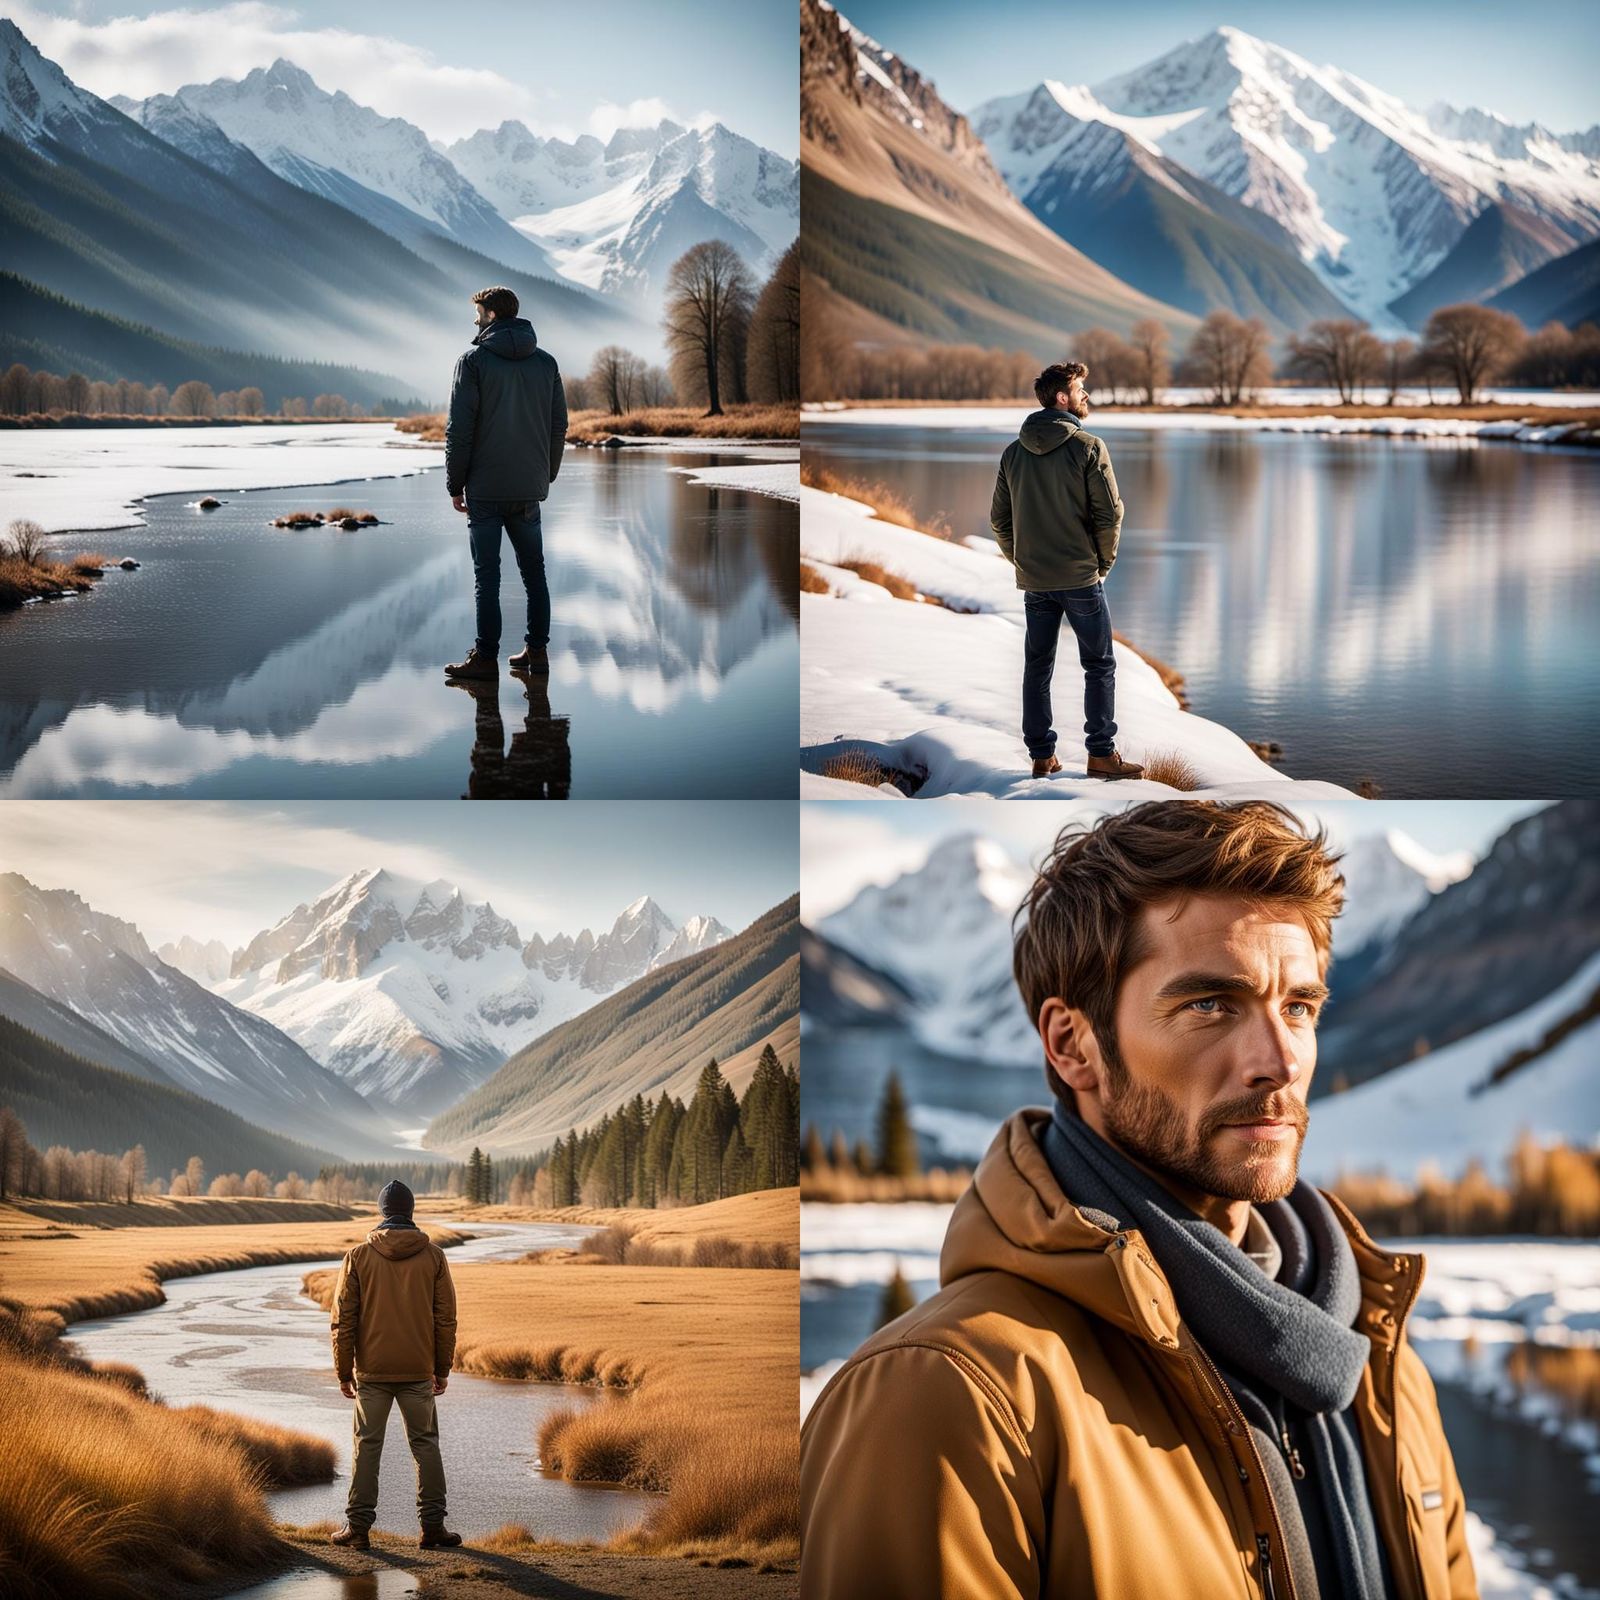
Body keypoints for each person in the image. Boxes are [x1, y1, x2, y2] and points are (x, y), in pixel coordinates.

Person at [800, 801, 1475, 1600]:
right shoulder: (948, 1396)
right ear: (1072, 1044)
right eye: (1210, 1005)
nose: (1280, 1060)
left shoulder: (1386, 1375)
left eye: (1299, 1006)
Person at [990, 361, 1143, 782]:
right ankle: (1101, 756)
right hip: (1080, 578)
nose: (1086, 397)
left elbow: (999, 521)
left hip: (1036, 582)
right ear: (1062, 398)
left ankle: (1042, 757)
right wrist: (1102, 565)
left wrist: (1024, 562)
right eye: (1081, 390)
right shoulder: (1088, 446)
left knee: (1037, 666)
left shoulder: (1013, 452)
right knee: (1099, 665)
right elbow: (1110, 514)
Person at [443, 285, 568, 683]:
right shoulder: (546, 363)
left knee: (487, 577)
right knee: (535, 573)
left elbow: (459, 430)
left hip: (485, 489)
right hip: (528, 488)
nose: (474, 320)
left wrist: (454, 484)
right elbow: (558, 426)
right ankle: (539, 652)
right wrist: (545, 473)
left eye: (477, 312)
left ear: (492, 315)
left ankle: (485, 659)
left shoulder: (473, 361)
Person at [329, 1180, 462, 1551]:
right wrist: (442, 1368)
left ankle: (357, 1529)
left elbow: (343, 1320)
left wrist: (343, 1372)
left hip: (371, 1372)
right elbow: (445, 1319)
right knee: (426, 1446)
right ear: (411, 1211)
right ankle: (433, 1528)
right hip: (419, 1370)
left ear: (382, 1212)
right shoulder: (434, 1256)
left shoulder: (357, 1256)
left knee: (366, 1447)